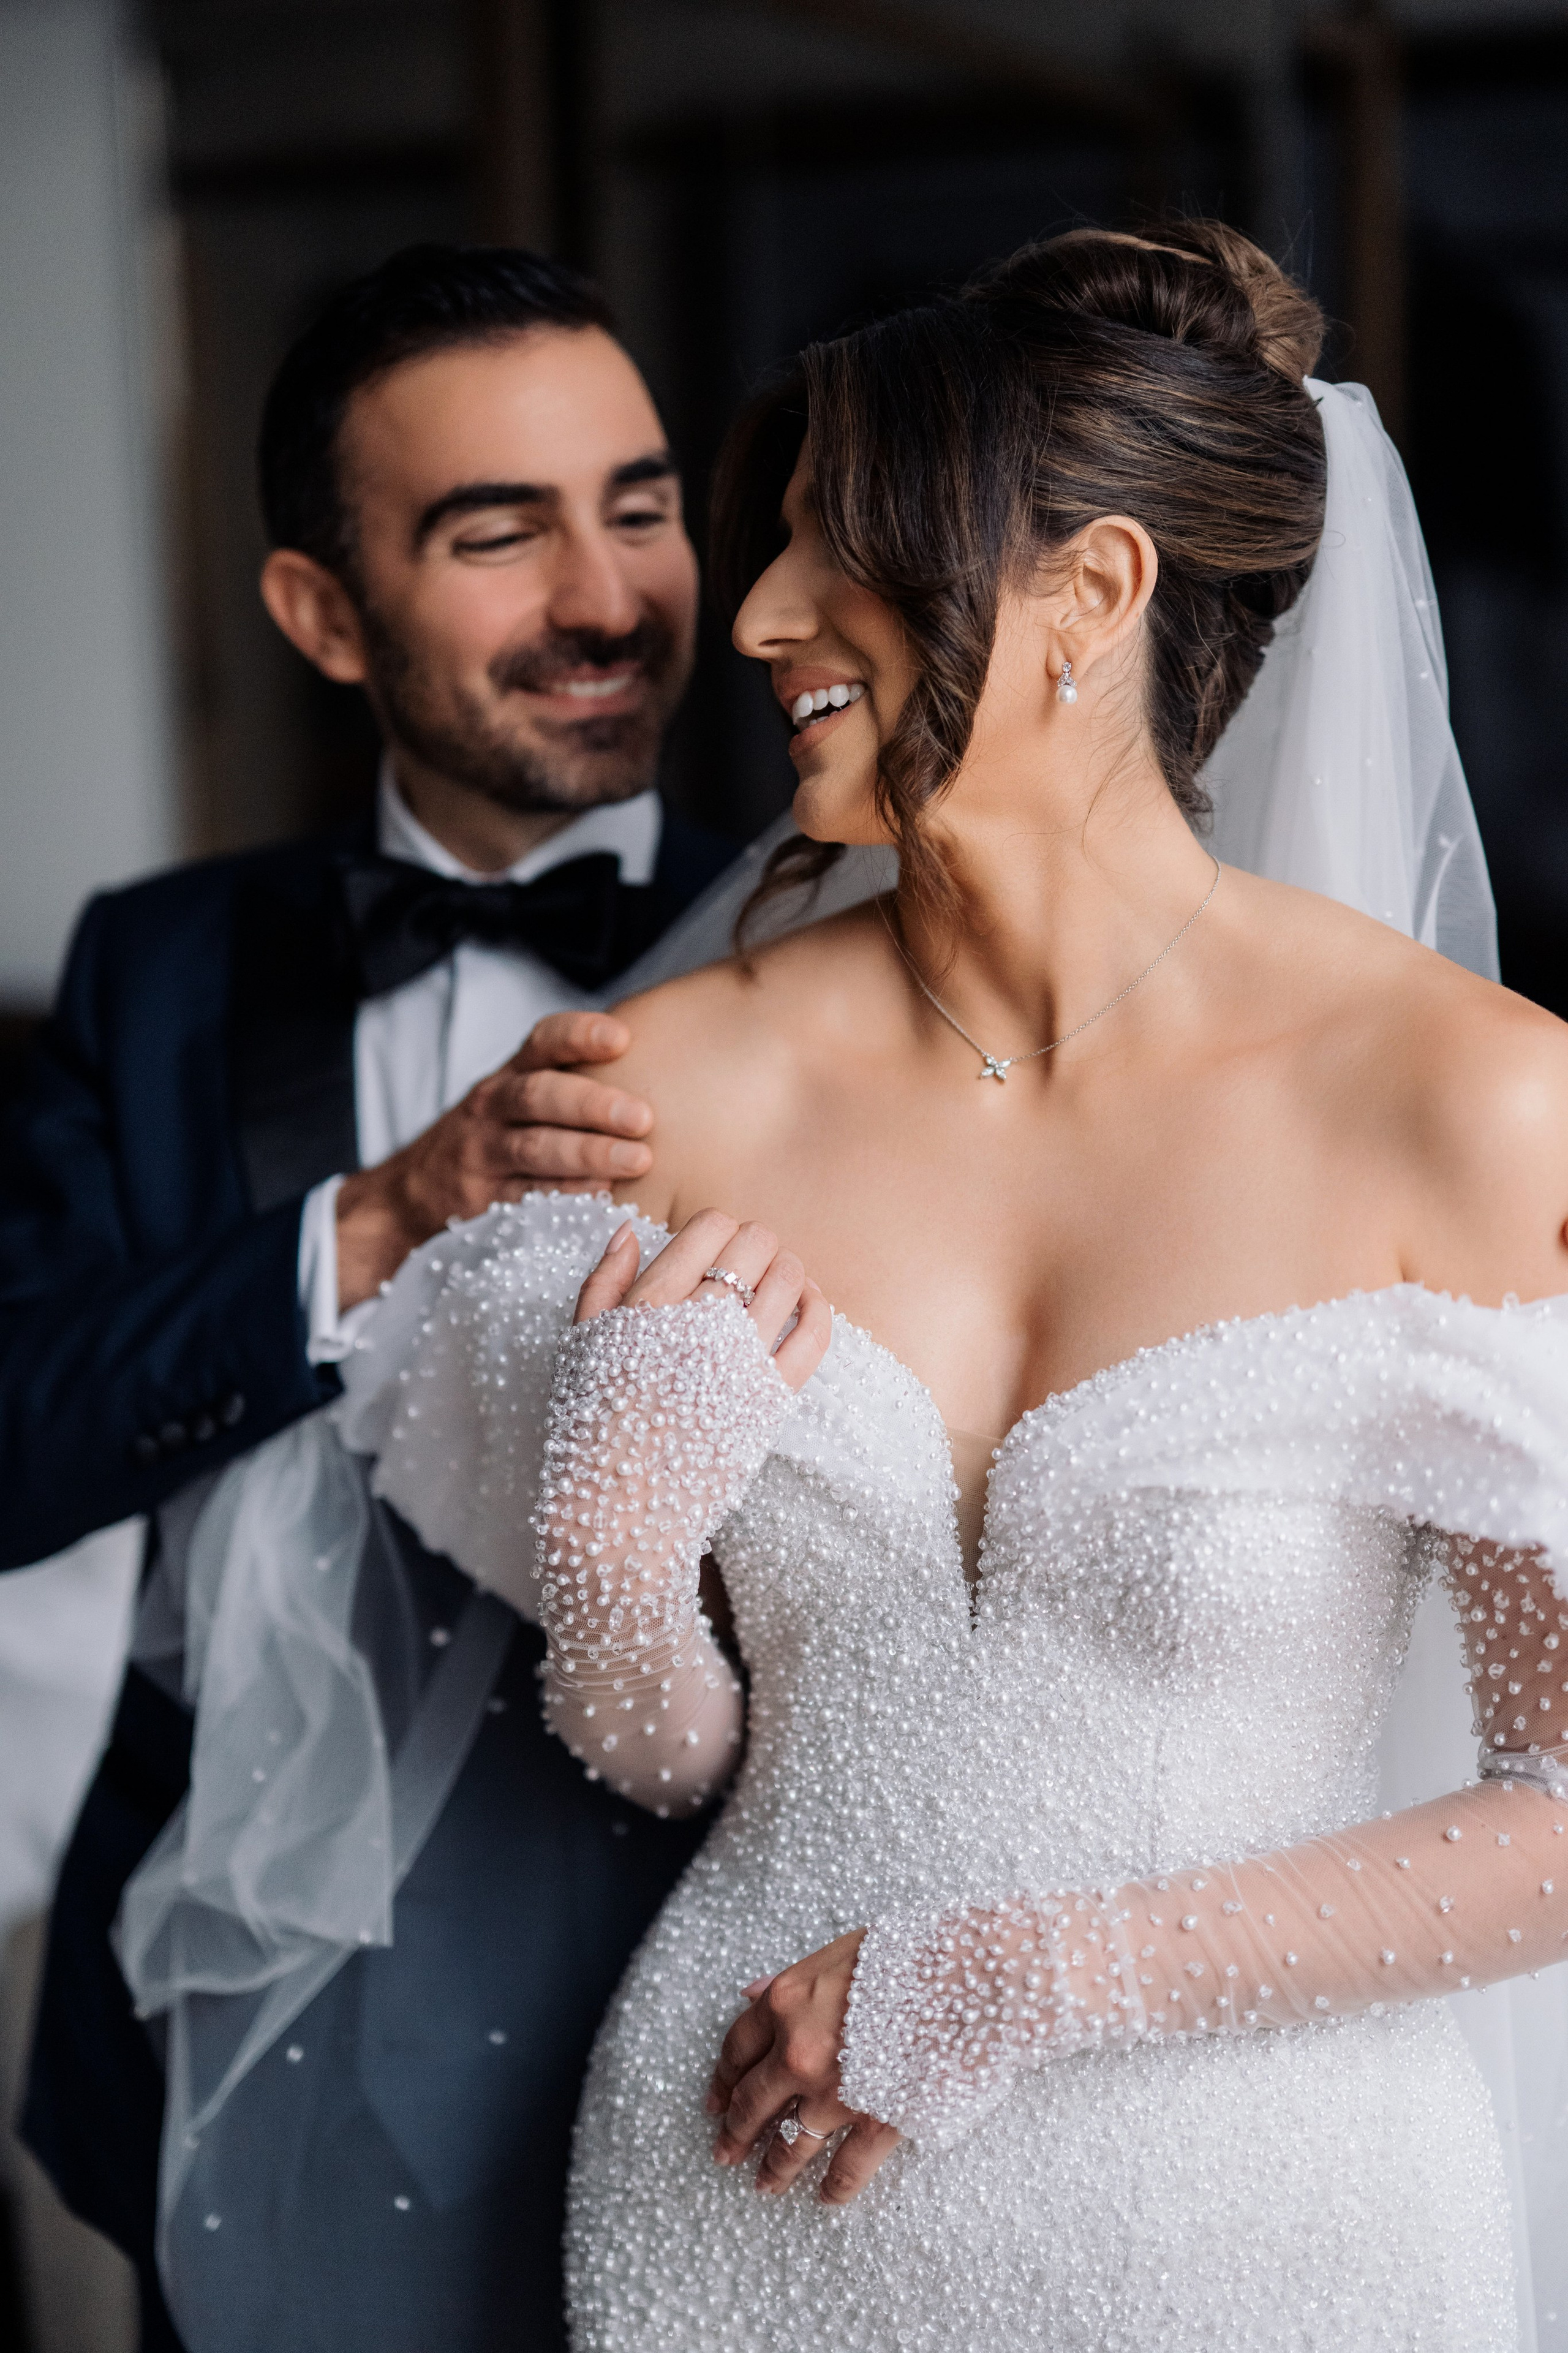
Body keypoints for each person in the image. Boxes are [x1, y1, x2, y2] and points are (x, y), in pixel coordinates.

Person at [272, 220, 1568, 2348]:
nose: (761, 615)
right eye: (774, 541)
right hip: (746, 2211)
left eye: (843, 545)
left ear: (1097, 590)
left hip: (1283, 2236)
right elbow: (663, 1753)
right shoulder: (658, 1087)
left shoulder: (1474, 1104)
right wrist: (613, 1559)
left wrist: (1044, 1970)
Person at [6, 242, 754, 2353]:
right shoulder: (158, 972)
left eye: (639, 502)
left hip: (710, 2012)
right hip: (236, 2027)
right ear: (323, 612)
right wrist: (378, 1218)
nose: (609, 597)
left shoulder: (833, 939)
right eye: (499, 534)